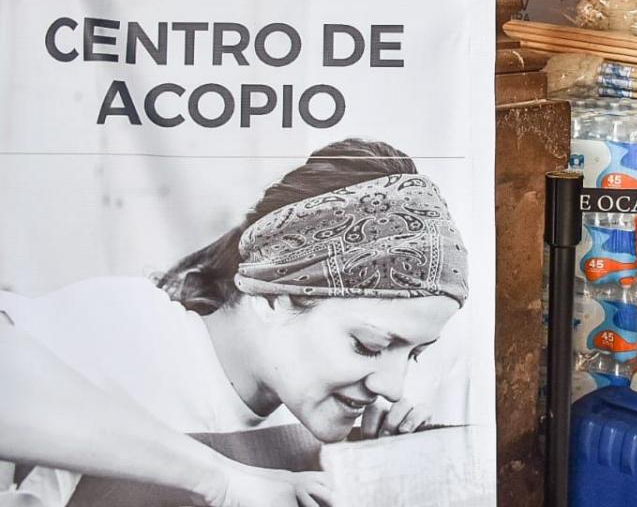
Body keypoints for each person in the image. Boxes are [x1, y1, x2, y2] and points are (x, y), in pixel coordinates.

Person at [0, 138, 468, 507]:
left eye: (413, 353)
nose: (392, 386)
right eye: (368, 345)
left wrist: (374, 477)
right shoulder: (131, 332)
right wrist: (221, 479)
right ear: (274, 294)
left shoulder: (324, 421)